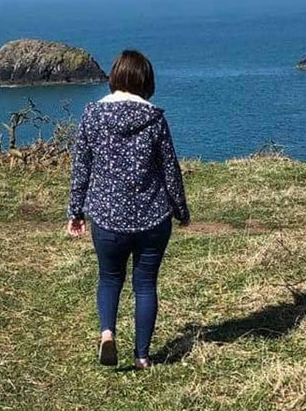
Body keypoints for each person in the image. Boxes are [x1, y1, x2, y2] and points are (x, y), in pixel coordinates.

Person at [66, 49, 190, 370]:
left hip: (108, 220)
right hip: (152, 218)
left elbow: (81, 166)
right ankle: (143, 357)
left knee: (109, 278)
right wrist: (181, 209)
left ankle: (107, 333)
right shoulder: (155, 119)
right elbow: (170, 170)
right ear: (146, 81)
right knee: (145, 284)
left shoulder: (92, 115)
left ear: (115, 77)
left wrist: (76, 211)